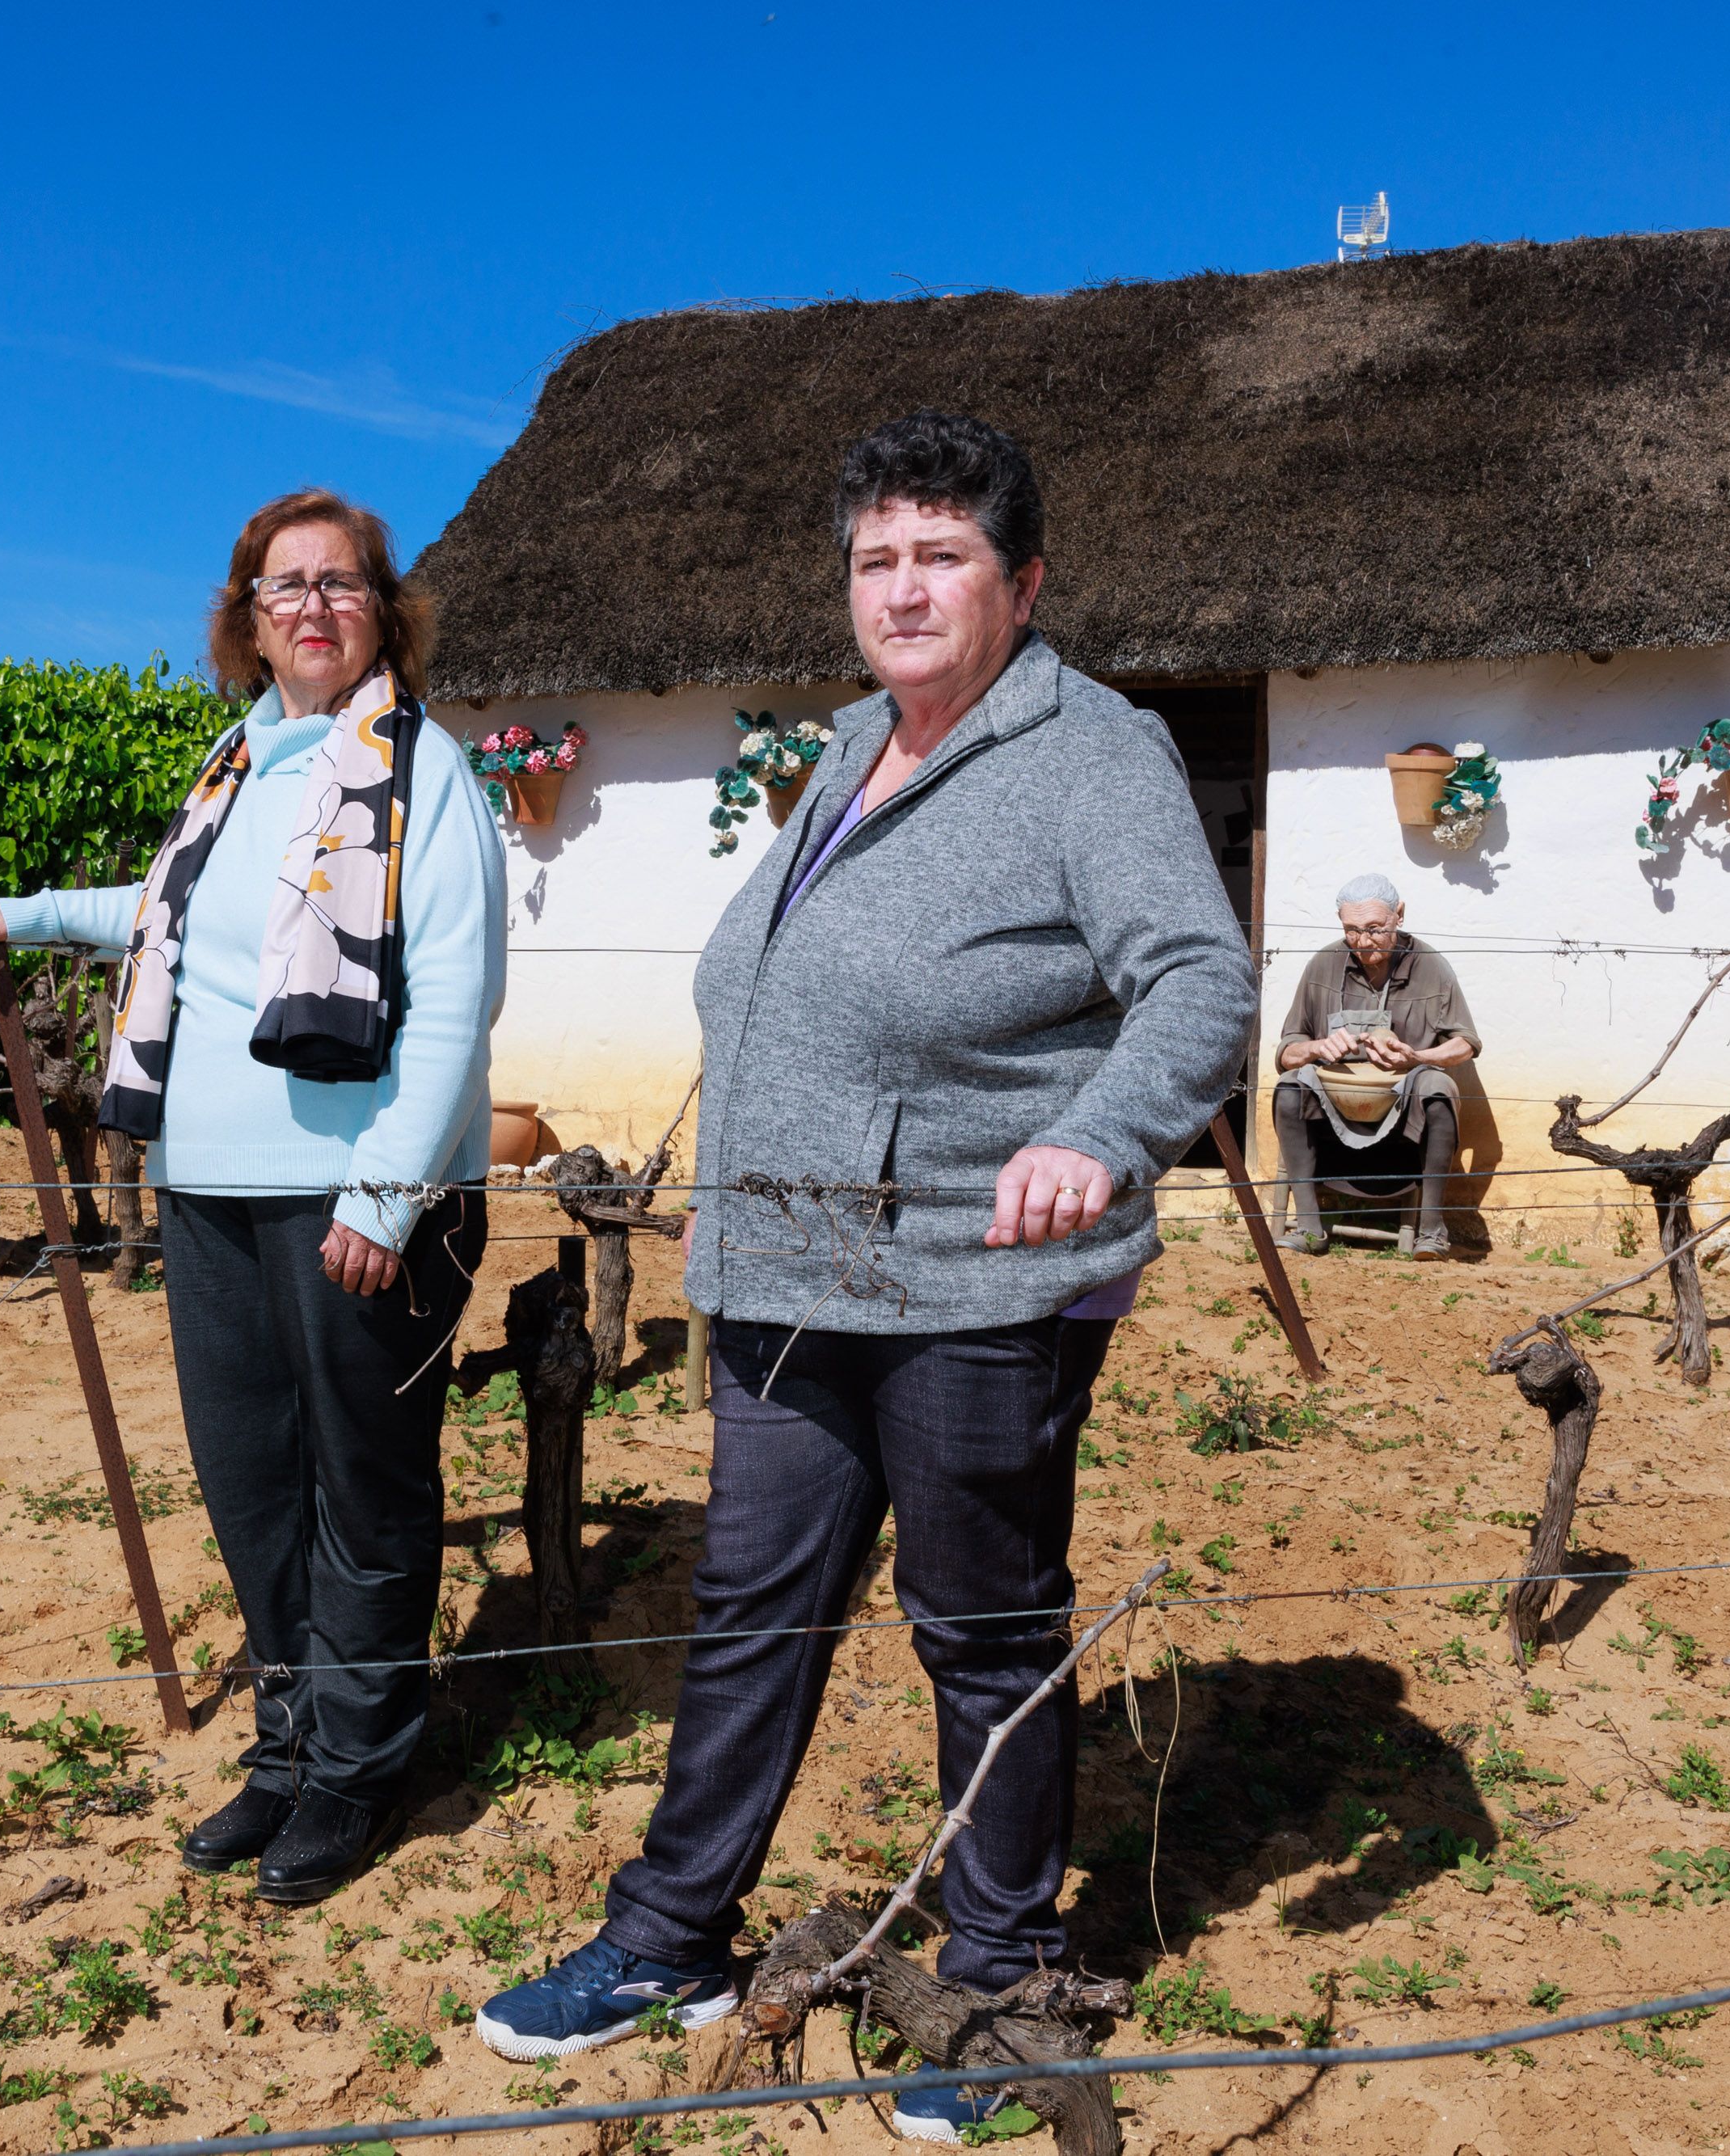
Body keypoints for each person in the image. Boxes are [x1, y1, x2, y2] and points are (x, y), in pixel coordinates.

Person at [477, 413, 1255, 2141]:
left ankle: (999, 1977)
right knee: (749, 1609)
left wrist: (1100, 1131)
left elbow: (1200, 983)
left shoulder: (1087, 751)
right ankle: (671, 1933)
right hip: (786, 1267)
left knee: (978, 1634)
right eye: (873, 558)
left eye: (941, 554)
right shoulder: (847, 747)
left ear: (1021, 579)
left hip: (976, 1275)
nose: (899, 588)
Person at [0, 490, 502, 1905]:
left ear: (384, 606)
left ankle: (364, 1767)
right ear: (248, 621)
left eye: (339, 582)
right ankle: (292, 1742)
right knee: (251, 1486)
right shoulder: (238, 766)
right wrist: (36, 912)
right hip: (210, 1192)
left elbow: (453, 1006)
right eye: (281, 586)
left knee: (361, 1491)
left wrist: (383, 1196)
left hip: (360, 1204)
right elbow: (177, 914)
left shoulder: (428, 777)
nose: (311, 606)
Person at [1270, 873, 1483, 1257]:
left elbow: (1464, 1044)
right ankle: (1309, 1227)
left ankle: (1432, 1229)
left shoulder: (1431, 966)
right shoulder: (1323, 964)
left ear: (1399, 915)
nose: (1363, 941)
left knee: (1438, 1088)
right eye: (1351, 930)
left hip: (1404, 1103)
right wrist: (1318, 1046)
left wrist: (1418, 1057)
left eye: (1374, 929)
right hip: (1334, 1100)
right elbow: (1287, 1050)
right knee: (1289, 1086)